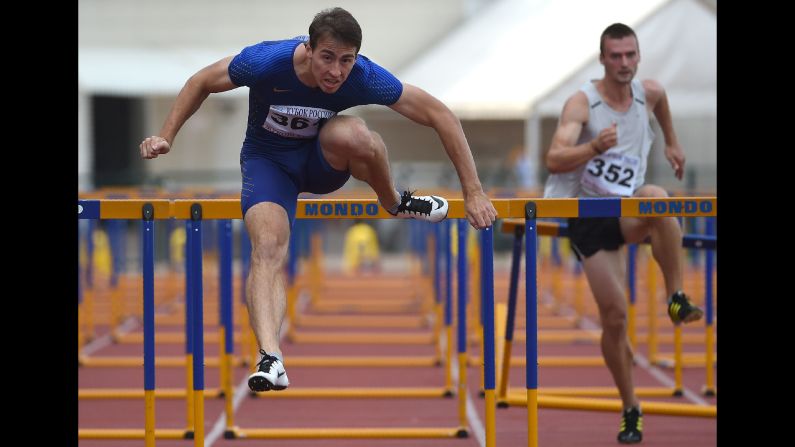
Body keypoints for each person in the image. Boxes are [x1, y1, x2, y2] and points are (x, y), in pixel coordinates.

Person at [139, 7, 497, 394]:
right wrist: (166, 135)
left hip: (322, 162)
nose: (336, 72)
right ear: (308, 49)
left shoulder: (364, 76)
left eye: (346, 61)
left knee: (359, 135)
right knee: (267, 248)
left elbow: (440, 114)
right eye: (328, 58)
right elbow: (202, 81)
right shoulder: (266, 61)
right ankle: (271, 357)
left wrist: (473, 191)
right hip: (269, 165)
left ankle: (394, 201)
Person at [542, 23, 704, 444]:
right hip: (590, 215)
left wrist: (671, 141)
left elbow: (662, 100)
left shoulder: (647, 93)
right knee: (615, 318)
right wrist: (593, 147)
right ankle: (631, 406)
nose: (624, 64)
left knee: (658, 196)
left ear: (638, 56)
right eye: (615, 56)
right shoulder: (583, 103)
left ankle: (676, 297)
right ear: (602, 59)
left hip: (628, 207)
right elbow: (555, 158)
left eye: (630, 55)